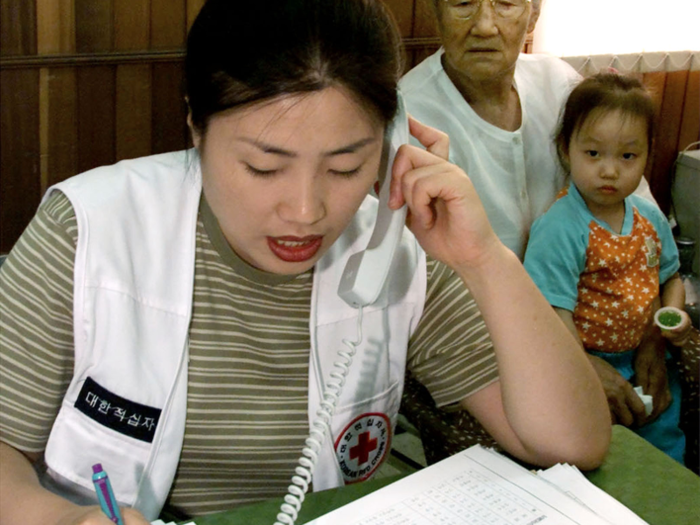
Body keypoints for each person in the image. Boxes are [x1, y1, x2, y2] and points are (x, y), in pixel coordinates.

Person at [0, 1, 611, 524]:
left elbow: (573, 441)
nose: (305, 210)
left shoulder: (394, 254)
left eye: (346, 167)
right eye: (264, 167)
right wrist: (66, 518)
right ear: (195, 124)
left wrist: (484, 259)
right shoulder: (88, 230)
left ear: (393, 142)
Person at [397, 0, 661, 464]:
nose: (484, 24)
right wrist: (574, 362)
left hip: (600, 313)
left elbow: (639, 217)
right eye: (462, 4)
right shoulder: (411, 115)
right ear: (436, 13)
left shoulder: (559, 84)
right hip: (484, 335)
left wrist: (653, 337)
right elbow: (429, 291)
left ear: (533, 14)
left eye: (505, 4)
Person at [523, 73, 692, 464]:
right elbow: (551, 313)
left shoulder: (649, 217)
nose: (610, 171)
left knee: (664, 448)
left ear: (647, 154)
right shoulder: (562, 226)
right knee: (602, 459)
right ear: (567, 150)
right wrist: (583, 368)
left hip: (648, 355)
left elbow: (670, 279)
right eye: (593, 154)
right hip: (585, 361)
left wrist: (673, 318)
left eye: (627, 156)